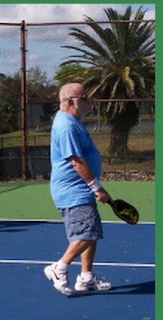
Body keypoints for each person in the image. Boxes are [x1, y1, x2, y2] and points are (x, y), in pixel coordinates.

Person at [44, 83, 113, 295]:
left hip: (80, 189)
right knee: (87, 232)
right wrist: (97, 187)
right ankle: (59, 268)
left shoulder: (73, 122)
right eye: (85, 98)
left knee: (90, 233)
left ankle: (86, 278)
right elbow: (76, 160)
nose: (89, 102)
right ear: (72, 101)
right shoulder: (66, 125)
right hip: (72, 190)